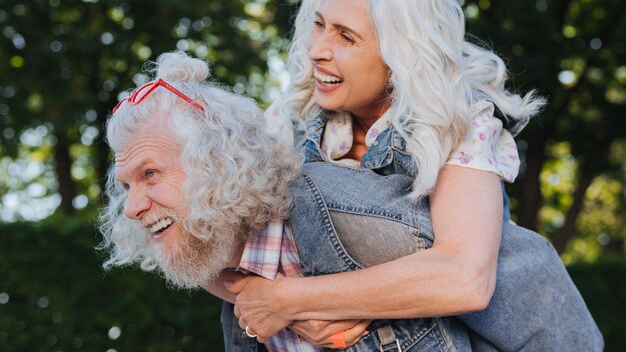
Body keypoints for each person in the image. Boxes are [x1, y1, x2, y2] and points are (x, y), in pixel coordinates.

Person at [100, 52, 602, 352]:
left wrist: (295, 302)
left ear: (219, 166)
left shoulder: (341, 211)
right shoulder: (236, 289)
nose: (131, 206)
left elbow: (512, 282)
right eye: (126, 185)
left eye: (149, 175)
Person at [224, 0, 602, 351]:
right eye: (318, 25)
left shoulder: (458, 123)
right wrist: (270, 306)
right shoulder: (289, 121)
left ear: (399, 56)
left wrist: (292, 300)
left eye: (345, 36)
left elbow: (463, 278)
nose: (317, 49)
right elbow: (198, 239)